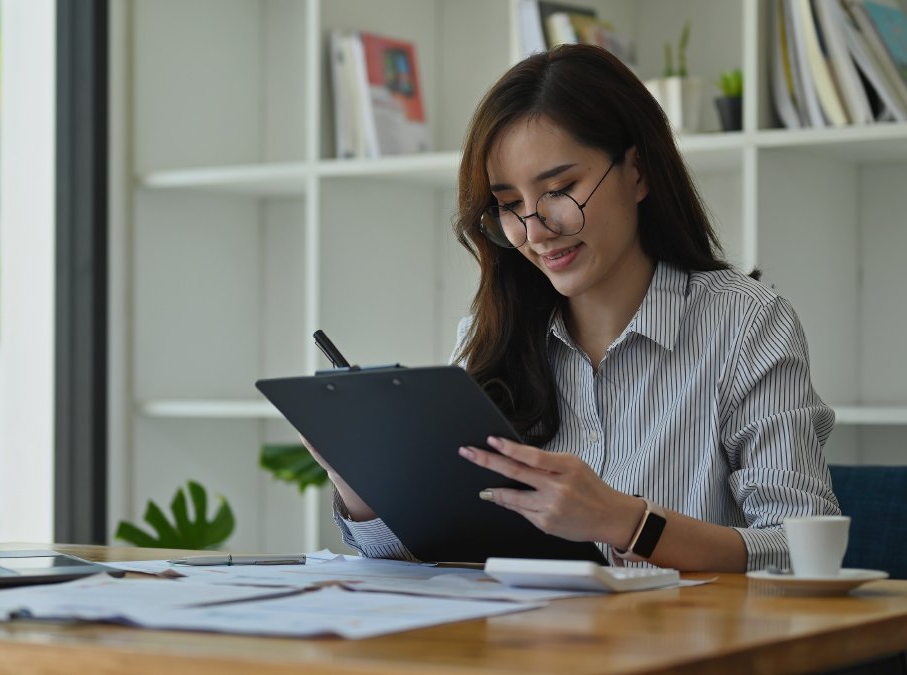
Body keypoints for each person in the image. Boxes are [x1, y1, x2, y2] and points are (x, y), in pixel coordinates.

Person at [306, 44, 839, 573]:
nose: (535, 231)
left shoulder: (747, 324)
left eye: (560, 189)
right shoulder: (490, 336)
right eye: (510, 205)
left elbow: (800, 552)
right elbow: (442, 553)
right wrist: (360, 484)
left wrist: (629, 523)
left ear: (637, 171)